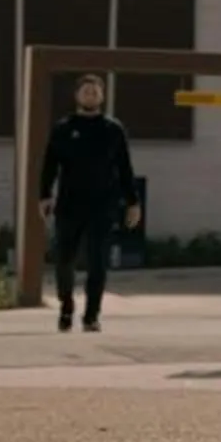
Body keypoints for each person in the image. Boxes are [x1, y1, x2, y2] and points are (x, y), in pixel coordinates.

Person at [38, 74, 139, 333]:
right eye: (86, 91)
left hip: (102, 206)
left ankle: (92, 315)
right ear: (77, 95)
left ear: (102, 97)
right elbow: (49, 164)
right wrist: (44, 195)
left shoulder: (113, 129)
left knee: (97, 262)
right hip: (69, 204)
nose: (90, 95)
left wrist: (133, 202)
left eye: (95, 92)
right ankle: (66, 308)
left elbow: (125, 168)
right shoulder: (63, 128)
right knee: (64, 260)